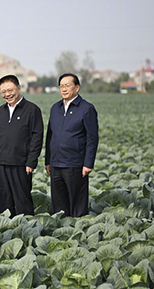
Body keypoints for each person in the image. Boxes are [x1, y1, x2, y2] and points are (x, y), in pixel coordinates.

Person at [45, 73, 99, 217]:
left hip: (75, 164)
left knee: (77, 204)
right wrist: (48, 161)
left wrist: (88, 164)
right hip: (56, 164)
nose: (64, 89)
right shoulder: (55, 108)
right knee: (58, 204)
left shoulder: (86, 109)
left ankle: (79, 229)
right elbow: (50, 135)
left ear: (77, 87)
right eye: (61, 86)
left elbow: (92, 138)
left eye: (67, 85)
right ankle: (61, 230)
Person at [0, 75, 43, 217]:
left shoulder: (32, 110)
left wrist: (31, 161)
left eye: (10, 90)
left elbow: (36, 138)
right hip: (2, 164)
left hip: (21, 164)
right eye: (3, 92)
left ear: (19, 88)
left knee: (22, 201)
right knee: (3, 201)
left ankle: (26, 231)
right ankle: (6, 233)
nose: (7, 94)